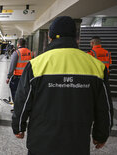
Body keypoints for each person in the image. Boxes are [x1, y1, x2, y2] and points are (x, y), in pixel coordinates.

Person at [12, 16, 114, 155]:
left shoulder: (36, 64)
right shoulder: (96, 66)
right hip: (77, 143)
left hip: (41, 143)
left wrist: (18, 126)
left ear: (50, 36)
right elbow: (104, 107)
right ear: (76, 37)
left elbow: (22, 100)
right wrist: (101, 134)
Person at [6, 38, 31, 108]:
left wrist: (8, 77)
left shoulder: (17, 53)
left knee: (14, 91)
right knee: (24, 92)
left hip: (18, 77)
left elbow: (12, 66)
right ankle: (24, 106)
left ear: (18, 44)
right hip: (27, 77)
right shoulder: (30, 52)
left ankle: (17, 107)